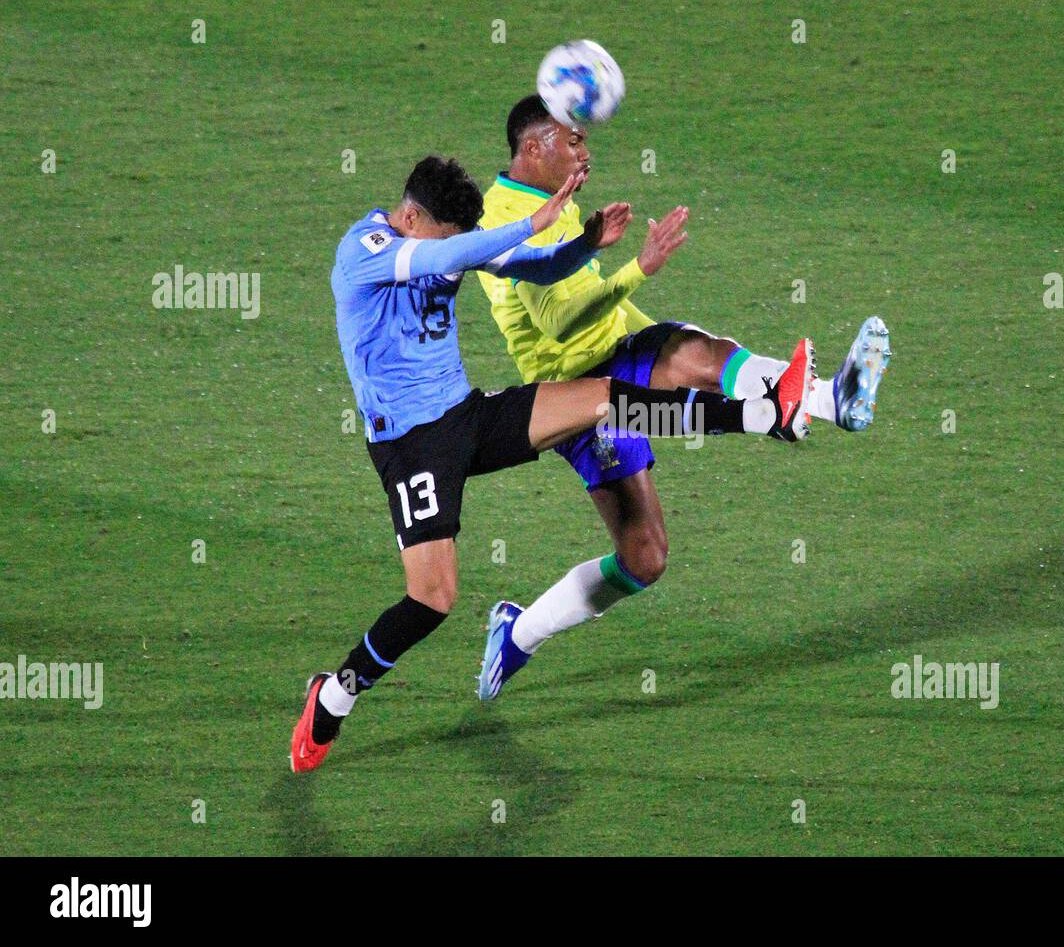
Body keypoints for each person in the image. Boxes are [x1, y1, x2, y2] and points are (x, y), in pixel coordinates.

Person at [290, 155, 813, 772]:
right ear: (411, 216)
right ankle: (335, 695)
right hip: (412, 447)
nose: (461, 249)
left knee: (605, 404)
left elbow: (531, 266)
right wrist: (532, 219)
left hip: (465, 417)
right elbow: (437, 260)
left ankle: (765, 413)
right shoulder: (368, 249)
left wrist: (585, 244)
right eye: (451, 235)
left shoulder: (441, 239)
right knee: (432, 598)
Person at [471, 96, 892, 699]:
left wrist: (652, 327)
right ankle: (521, 631)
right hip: (579, 394)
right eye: (573, 141)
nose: (585, 153)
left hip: (620, 352)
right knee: (644, 558)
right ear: (533, 147)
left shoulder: (550, 197)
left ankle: (830, 399)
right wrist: (637, 268)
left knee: (699, 353)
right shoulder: (504, 219)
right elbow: (559, 323)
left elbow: (599, 302)